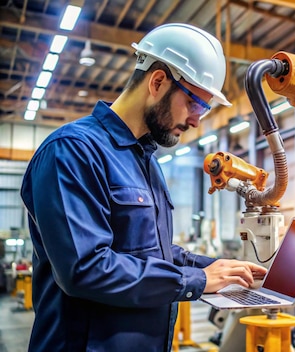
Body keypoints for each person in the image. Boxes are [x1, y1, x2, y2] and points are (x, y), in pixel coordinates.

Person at [20, 23, 266, 352]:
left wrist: (210, 266)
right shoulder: (72, 151)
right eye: (195, 104)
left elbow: (149, 251)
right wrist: (198, 281)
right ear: (158, 81)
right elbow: (85, 268)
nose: (196, 121)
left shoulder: (147, 162)